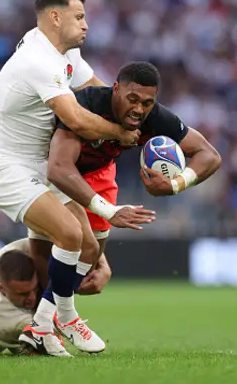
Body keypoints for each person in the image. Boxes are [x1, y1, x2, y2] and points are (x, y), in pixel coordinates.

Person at [0, 0, 151, 357]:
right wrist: (123, 134)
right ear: (55, 18)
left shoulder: (61, 54)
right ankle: (66, 318)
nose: (86, 24)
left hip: (37, 168)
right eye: (79, 16)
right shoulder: (38, 61)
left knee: (88, 247)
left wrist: (139, 117)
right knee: (71, 235)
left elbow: (100, 91)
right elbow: (79, 120)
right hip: (6, 169)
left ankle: (40, 327)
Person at [39, 62, 222, 268]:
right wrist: (109, 211)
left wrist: (175, 185)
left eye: (147, 103)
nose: (138, 109)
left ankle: (55, 293)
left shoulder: (154, 117)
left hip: (100, 172)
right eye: (132, 100)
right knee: (74, 250)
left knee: (90, 268)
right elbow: (58, 168)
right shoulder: (87, 104)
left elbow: (210, 155)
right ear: (116, 89)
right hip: (54, 172)